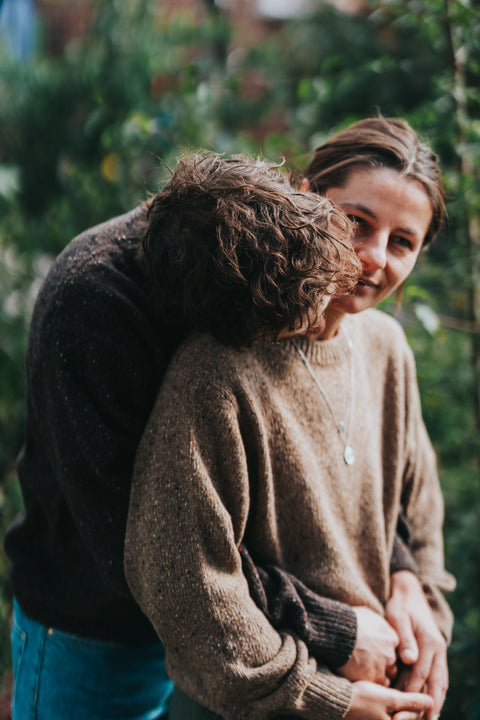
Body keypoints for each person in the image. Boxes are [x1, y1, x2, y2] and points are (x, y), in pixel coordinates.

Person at [4, 118, 450, 720]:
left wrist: (406, 580)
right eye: (356, 223)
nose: (367, 262)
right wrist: (333, 635)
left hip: (248, 637)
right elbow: (154, 552)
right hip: (99, 628)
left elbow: (379, 487)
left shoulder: (291, 283)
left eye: (402, 241)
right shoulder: (109, 308)